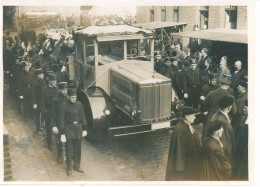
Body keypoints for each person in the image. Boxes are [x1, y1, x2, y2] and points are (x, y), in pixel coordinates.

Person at [165, 106, 201, 181]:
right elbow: (179, 152)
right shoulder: (179, 130)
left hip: (190, 162)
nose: (195, 117)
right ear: (187, 117)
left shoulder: (187, 125)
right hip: (185, 166)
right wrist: (179, 170)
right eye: (193, 115)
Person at [59, 88, 87, 176]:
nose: (74, 99)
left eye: (75, 97)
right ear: (68, 97)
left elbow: (83, 116)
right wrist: (62, 133)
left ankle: (77, 166)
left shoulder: (80, 104)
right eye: (72, 97)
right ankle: (69, 168)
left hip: (78, 129)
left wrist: (84, 128)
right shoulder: (64, 105)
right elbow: (61, 120)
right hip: (68, 130)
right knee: (69, 150)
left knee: (78, 150)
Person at [201, 76, 237, 140]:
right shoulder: (230, 97)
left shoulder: (211, 93)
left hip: (210, 118)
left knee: (207, 138)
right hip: (222, 119)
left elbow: (204, 105)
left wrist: (206, 111)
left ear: (220, 84)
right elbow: (234, 111)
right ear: (228, 86)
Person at [210, 95, 236, 164]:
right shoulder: (220, 119)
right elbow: (223, 139)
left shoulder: (219, 115)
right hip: (225, 154)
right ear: (229, 107)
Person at [52, 82, 68, 164]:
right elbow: (54, 113)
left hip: (67, 123)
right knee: (59, 140)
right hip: (59, 123)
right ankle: (59, 156)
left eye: (66, 90)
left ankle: (68, 155)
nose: (65, 91)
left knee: (68, 139)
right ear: (60, 90)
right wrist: (54, 125)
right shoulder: (56, 100)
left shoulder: (68, 99)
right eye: (63, 90)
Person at [44, 73, 58, 150]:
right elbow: (43, 102)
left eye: (55, 82)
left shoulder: (56, 89)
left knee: (56, 128)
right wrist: (45, 111)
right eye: (53, 82)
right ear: (49, 82)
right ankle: (49, 144)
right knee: (49, 128)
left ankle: (56, 143)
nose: (55, 83)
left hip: (56, 112)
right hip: (49, 112)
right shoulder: (45, 89)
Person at [32, 68, 46, 135]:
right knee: (38, 115)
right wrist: (34, 103)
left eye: (42, 74)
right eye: (41, 74)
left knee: (42, 114)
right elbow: (34, 93)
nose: (42, 75)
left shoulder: (43, 81)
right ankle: (38, 128)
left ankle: (41, 126)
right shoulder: (35, 83)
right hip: (38, 101)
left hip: (43, 101)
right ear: (38, 75)